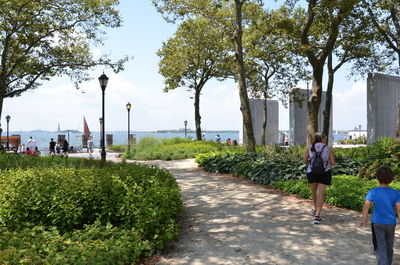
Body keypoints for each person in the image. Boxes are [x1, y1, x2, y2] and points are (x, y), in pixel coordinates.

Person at [361, 166, 400, 265]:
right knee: (389, 245)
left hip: (377, 223)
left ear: (377, 178)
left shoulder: (373, 191)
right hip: (391, 223)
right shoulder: (396, 193)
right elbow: (399, 210)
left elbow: (366, 207)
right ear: (391, 178)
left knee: (380, 246)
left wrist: (364, 220)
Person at [303, 132, 336, 224]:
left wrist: (312, 159)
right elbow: (333, 162)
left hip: (311, 172)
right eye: (325, 137)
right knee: (320, 194)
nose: (325, 139)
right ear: (322, 139)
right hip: (325, 172)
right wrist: (327, 161)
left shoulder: (309, 147)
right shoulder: (327, 148)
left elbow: (305, 161)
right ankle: (317, 216)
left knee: (314, 193)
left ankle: (315, 210)